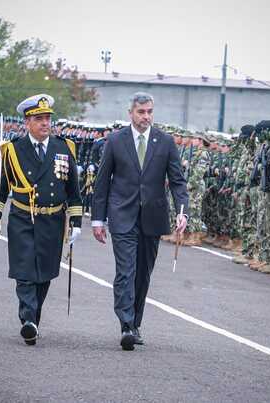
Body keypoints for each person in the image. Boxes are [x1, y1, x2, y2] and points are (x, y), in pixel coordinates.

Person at [91, 92, 189, 351]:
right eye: (141, 112)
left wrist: (182, 211)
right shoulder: (114, 141)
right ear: (131, 113)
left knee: (143, 274)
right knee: (126, 271)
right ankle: (125, 325)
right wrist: (97, 220)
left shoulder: (165, 142)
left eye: (149, 112)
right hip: (122, 215)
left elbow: (177, 181)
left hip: (152, 218)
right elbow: (102, 183)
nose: (146, 117)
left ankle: (135, 323)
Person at [0, 94, 83, 345]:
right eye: (39, 119)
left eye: (48, 118)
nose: (45, 124)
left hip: (53, 221)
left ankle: (33, 320)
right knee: (25, 270)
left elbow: (73, 190)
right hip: (23, 219)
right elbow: (0, 187)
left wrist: (76, 223)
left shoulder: (64, 147)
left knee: (45, 274)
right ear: (27, 122)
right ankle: (27, 319)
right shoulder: (13, 150)